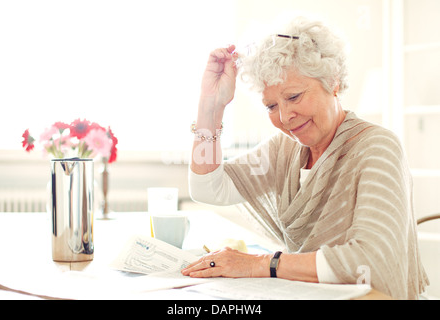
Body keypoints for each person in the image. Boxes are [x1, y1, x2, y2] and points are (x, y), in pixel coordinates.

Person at [181, 16, 428, 299]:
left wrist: (263, 265)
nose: (285, 117)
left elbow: (369, 260)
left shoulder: (377, 148)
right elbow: (207, 188)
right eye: (272, 106)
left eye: (295, 97)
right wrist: (210, 107)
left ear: (332, 82)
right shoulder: (283, 149)